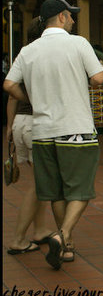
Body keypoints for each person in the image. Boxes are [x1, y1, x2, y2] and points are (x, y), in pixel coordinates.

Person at [4, 0, 103, 270]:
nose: (73, 20)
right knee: (80, 190)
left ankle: (67, 249)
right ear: (61, 17)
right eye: (71, 15)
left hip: (43, 132)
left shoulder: (28, 51)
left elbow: (9, 84)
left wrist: (33, 98)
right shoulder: (78, 43)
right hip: (76, 130)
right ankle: (63, 236)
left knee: (56, 192)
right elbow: (98, 78)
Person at [6, 17, 54, 256]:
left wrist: (9, 126)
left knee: (39, 181)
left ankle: (41, 229)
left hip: (21, 124)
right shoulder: (42, 56)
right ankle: (18, 239)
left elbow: (11, 94)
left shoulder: (24, 54)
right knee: (40, 184)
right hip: (36, 124)